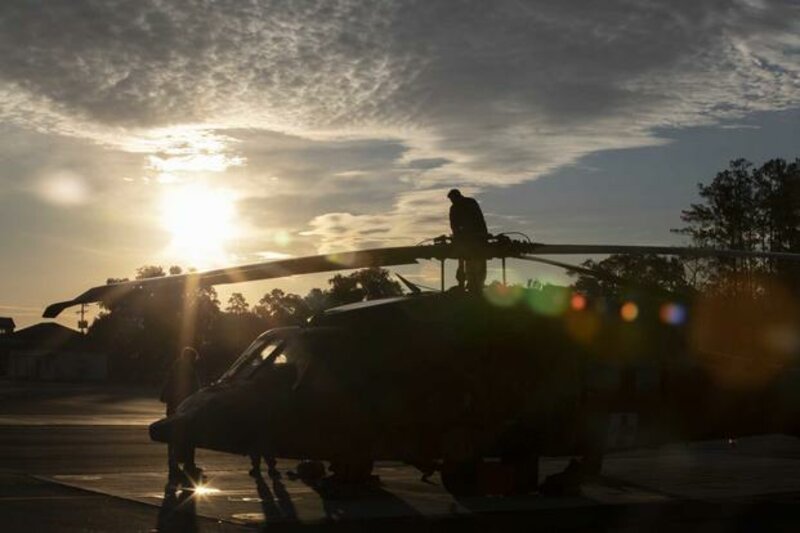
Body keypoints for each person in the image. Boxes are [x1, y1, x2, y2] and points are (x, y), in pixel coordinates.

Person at [160, 346, 203, 484]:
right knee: (188, 436)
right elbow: (193, 389)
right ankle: (187, 464)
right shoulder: (188, 370)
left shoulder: (175, 368)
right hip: (183, 406)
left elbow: (167, 387)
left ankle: (174, 464)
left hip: (173, 405)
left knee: (173, 437)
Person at [448, 189, 488, 292]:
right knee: (469, 263)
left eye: (452, 199)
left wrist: (482, 235)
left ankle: (477, 286)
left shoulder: (469, 203)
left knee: (477, 264)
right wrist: (457, 236)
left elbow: (479, 219)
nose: (452, 201)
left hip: (476, 239)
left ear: (457, 196)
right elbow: (453, 225)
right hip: (466, 241)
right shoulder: (455, 207)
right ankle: (472, 285)